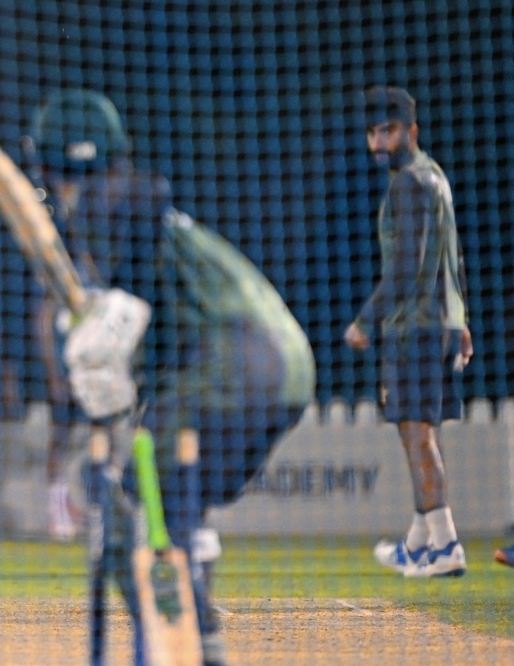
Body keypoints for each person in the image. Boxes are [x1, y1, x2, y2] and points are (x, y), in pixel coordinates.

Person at [23, 89, 316, 666]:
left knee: (128, 500)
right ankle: (201, 639)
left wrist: (113, 325)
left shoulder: (103, 201)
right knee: (176, 497)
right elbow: (156, 316)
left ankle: (177, 647)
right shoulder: (134, 221)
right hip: (285, 368)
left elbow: (146, 194)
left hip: (235, 360)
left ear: (51, 164)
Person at [345, 86, 473, 578]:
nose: (379, 142)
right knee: (422, 437)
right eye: (373, 133)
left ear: (411, 130)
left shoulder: (409, 183)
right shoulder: (434, 176)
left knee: (417, 438)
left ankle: (446, 545)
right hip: (440, 323)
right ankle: (418, 544)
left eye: (389, 131)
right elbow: (453, 258)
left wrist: (366, 319)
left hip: (415, 328)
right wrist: (462, 321)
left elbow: (408, 265)